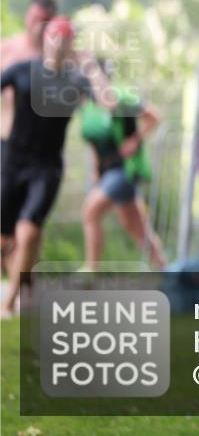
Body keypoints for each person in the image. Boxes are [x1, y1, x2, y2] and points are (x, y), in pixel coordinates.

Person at [0, 17, 111, 317]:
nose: (58, 44)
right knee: (4, 239)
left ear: (71, 44)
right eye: (54, 37)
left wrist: (91, 67)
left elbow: (109, 103)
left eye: (64, 39)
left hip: (46, 168)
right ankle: (22, 285)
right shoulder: (23, 70)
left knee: (28, 233)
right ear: (46, 40)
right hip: (12, 163)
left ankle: (9, 304)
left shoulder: (76, 80)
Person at [79, 59, 167, 271]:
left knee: (90, 212)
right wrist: (96, 170)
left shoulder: (121, 96)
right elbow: (93, 141)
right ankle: (166, 271)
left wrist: (135, 140)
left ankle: (91, 271)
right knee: (137, 227)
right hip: (107, 171)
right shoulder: (87, 105)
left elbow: (154, 117)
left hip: (126, 169)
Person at [0, 0, 58, 278]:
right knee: (4, 225)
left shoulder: (59, 59)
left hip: (41, 153)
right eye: (35, 18)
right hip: (6, 144)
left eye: (45, 21)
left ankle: (22, 284)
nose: (38, 25)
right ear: (27, 17)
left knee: (31, 225)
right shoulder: (8, 50)